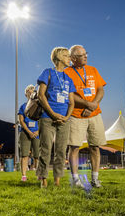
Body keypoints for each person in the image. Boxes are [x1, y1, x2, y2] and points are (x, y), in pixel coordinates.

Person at [64, 45, 107, 188]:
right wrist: (86, 105)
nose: (86, 56)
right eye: (82, 55)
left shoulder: (93, 70)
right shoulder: (67, 72)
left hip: (94, 114)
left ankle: (95, 179)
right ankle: (75, 180)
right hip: (76, 115)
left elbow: (100, 89)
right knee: (74, 147)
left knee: (95, 147)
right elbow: (69, 96)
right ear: (73, 58)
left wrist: (93, 104)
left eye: (85, 54)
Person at [36, 47, 76, 188]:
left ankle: (57, 181)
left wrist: (66, 117)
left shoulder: (69, 79)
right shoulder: (47, 73)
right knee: (45, 149)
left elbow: (72, 102)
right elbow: (41, 96)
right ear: (58, 57)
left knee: (60, 150)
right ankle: (43, 179)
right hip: (47, 117)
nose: (69, 58)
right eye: (66, 55)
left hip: (64, 119)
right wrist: (53, 114)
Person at [18, 84, 40, 181]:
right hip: (25, 133)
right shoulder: (23, 106)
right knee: (25, 155)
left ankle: (39, 174)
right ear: (26, 94)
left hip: (37, 133)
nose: (31, 91)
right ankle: (24, 175)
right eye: (29, 90)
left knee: (37, 155)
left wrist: (38, 131)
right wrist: (28, 132)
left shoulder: (40, 105)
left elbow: (43, 120)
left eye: (33, 90)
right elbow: (21, 121)